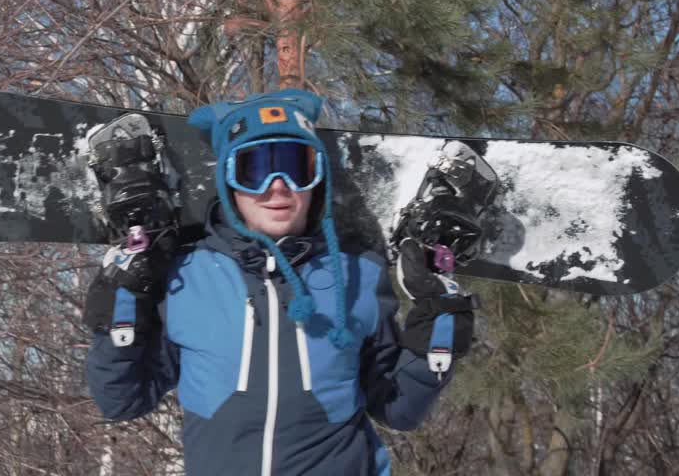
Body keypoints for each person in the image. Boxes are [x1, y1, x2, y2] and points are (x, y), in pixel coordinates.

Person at [84, 89, 477, 475]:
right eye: (254, 169)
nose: (277, 186)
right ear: (228, 182)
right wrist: (123, 298)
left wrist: (439, 322)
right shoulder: (187, 276)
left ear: (316, 179)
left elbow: (399, 408)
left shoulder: (359, 274)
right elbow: (121, 399)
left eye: (296, 167)